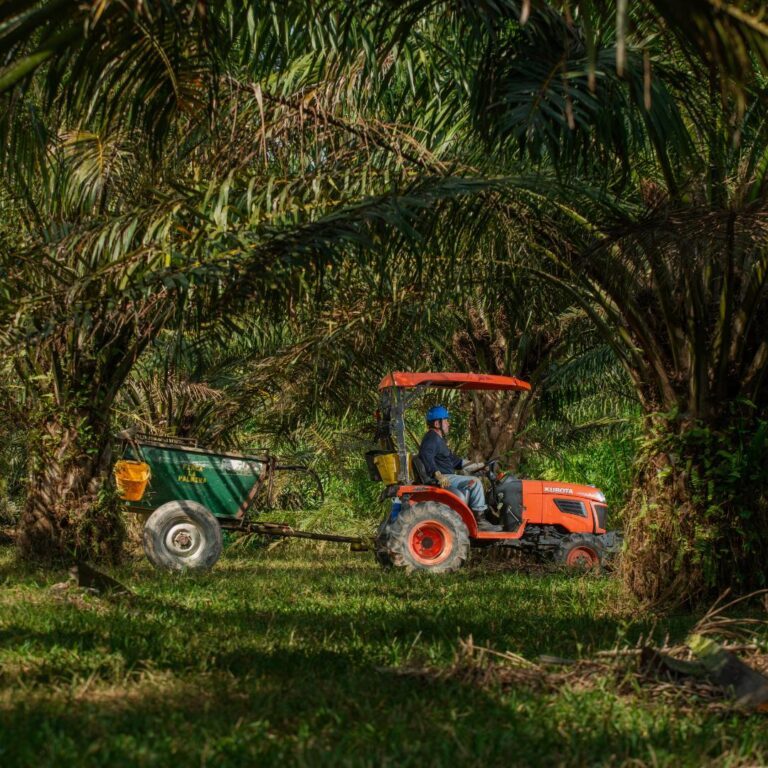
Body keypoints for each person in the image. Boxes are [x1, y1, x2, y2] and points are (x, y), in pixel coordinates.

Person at [418, 405, 502, 532]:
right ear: (437, 423)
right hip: (443, 477)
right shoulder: (431, 438)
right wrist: (438, 475)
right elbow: (426, 455)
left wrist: (479, 466)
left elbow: (454, 461)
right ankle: (480, 520)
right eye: (446, 420)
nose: (448, 424)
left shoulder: (439, 440)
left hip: (446, 475)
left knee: (476, 480)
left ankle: (486, 515)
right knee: (475, 483)